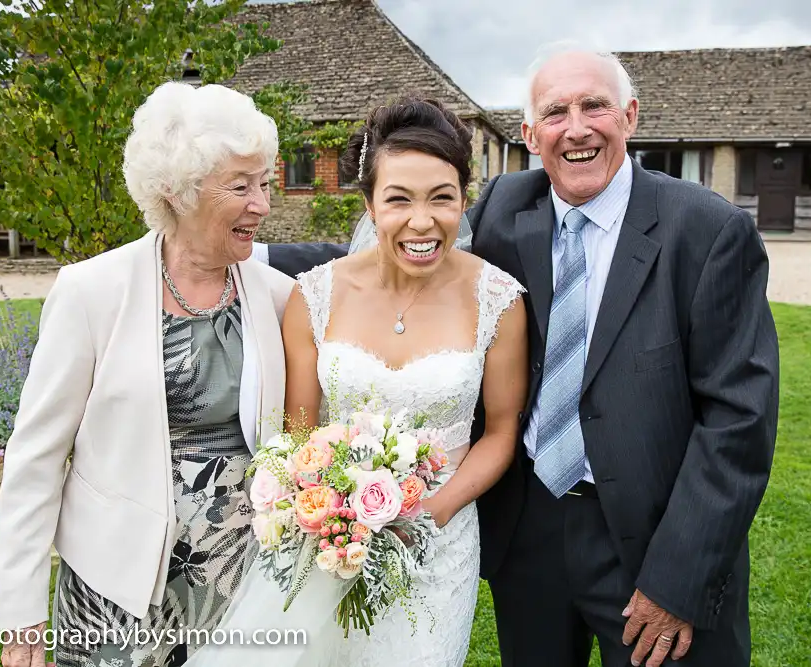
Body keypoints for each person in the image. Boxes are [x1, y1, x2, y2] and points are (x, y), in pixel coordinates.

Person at [260, 43, 780, 667]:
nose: (578, 128)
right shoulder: (510, 206)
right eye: (556, 112)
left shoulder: (708, 231)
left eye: (596, 107)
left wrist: (678, 579)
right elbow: (411, 240)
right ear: (531, 134)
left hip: (652, 539)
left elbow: (740, 423)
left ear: (631, 117)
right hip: (530, 534)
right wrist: (249, 255)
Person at [187, 96, 528, 667]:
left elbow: (499, 432)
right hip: (329, 541)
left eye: (442, 198)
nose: (423, 221)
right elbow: (296, 435)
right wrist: (324, 510)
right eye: (398, 200)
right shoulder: (314, 295)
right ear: (369, 204)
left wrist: (434, 511)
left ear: (463, 201)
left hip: (437, 545)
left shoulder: (497, 300)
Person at [0, 81, 294, 667]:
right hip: (116, 593)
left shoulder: (278, 297)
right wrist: (20, 612)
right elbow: (36, 457)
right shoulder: (92, 293)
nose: (262, 204)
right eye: (241, 186)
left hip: (243, 585)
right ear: (176, 192)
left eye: (264, 183)